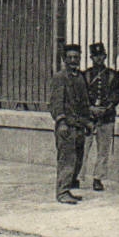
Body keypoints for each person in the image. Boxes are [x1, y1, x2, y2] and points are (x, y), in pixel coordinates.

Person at [49, 42, 90, 204]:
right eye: (70, 57)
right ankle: (62, 192)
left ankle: (69, 189)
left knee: (77, 160)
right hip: (66, 127)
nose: (73, 60)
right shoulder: (60, 77)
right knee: (67, 160)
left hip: (79, 126)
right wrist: (61, 121)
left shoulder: (80, 77)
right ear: (64, 59)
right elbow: (56, 102)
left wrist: (88, 122)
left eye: (76, 57)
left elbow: (85, 102)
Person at [82, 42, 119, 192]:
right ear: (91, 57)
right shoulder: (85, 75)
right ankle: (78, 177)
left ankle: (98, 178)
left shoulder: (112, 75)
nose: (98, 59)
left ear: (105, 56)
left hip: (106, 117)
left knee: (103, 151)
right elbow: (82, 94)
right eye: (95, 56)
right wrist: (90, 108)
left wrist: (108, 107)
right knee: (83, 148)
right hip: (89, 118)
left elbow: (117, 93)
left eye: (101, 56)